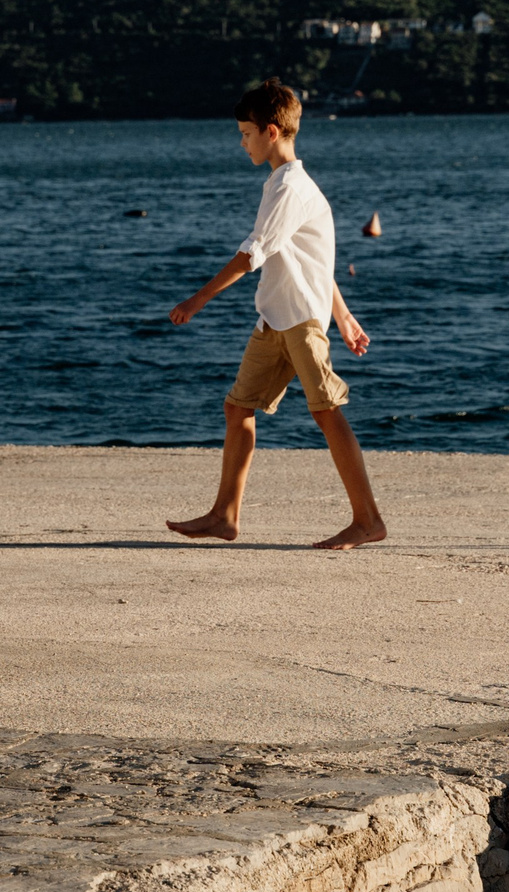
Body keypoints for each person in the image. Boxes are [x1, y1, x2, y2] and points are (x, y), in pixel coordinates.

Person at [166, 79, 387, 550]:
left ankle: (368, 520)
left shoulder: (290, 187)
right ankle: (225, 515)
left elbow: (253, 254)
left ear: (271, 131)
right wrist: (345, 318)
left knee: (327, 412)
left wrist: (196, 300)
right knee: (237, 408)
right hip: (276, 319)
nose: (241, 142)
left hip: (301, 324)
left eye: (246, 133)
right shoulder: (281, 184)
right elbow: (315, 261)